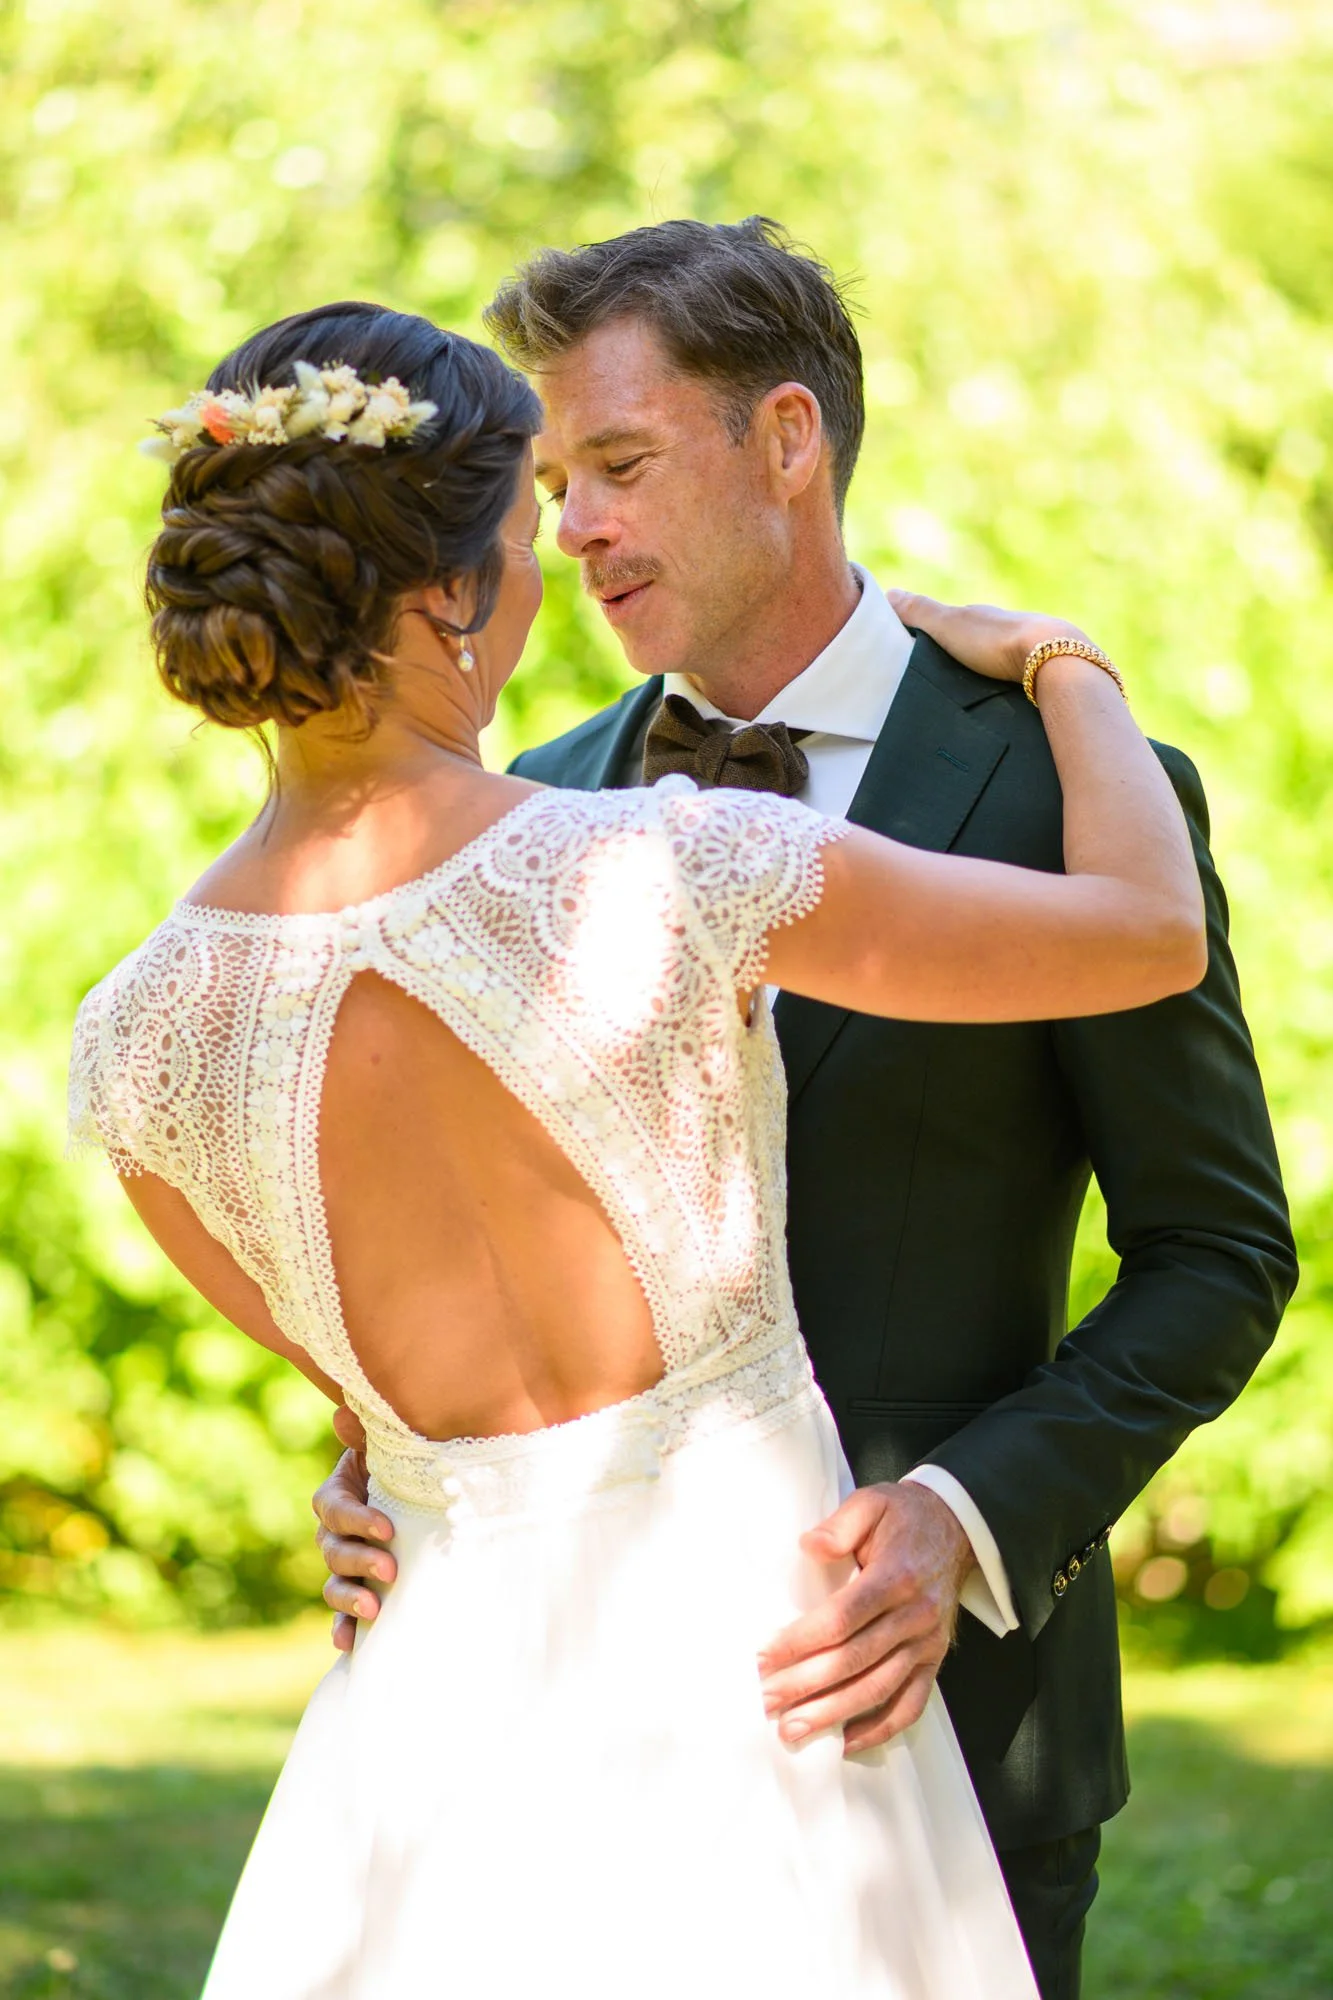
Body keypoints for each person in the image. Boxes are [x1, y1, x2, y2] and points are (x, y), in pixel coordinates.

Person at [67, 300, 1206, 1999]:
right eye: (532, 524)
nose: (561, 563)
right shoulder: (662, 872)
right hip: (762, 1707)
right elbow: (1144, 929)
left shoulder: (134, 1043)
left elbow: (362, 1382)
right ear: (448, 593)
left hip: (430, 1743)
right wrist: (1067, 667)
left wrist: (376, 1470)